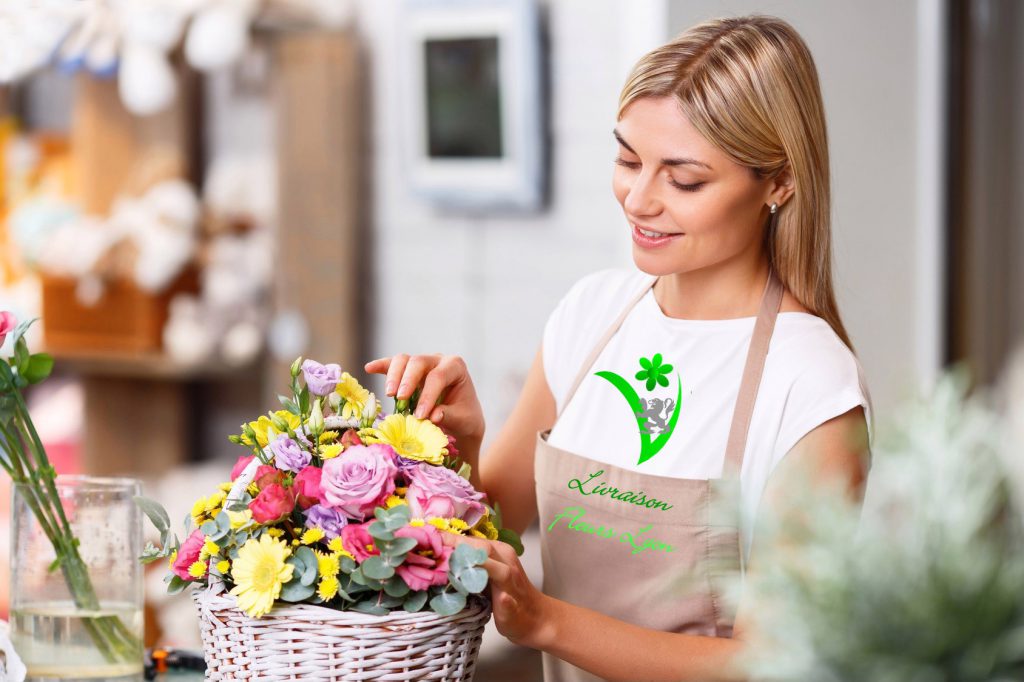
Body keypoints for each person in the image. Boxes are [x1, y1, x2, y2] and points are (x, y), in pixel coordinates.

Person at [365, 14, 873, 682]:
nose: (638, 199)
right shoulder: (592, 314)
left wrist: (547, 622)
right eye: (629, 159)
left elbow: (774, 661)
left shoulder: (811, 384)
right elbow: (491, 529)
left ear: (777, 184)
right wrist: (461, 445)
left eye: (683, 179)